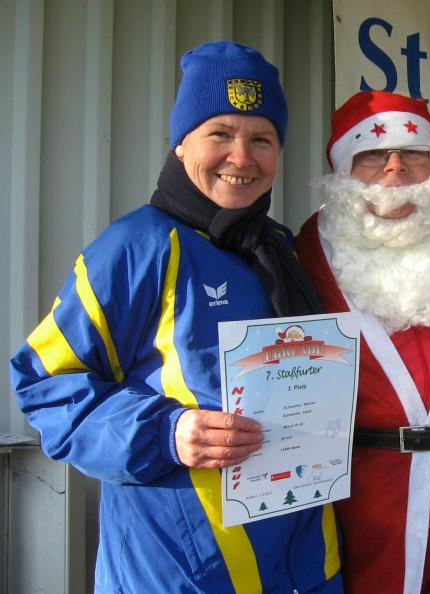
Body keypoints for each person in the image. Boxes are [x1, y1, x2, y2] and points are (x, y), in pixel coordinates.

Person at [10, 41, 342, 593]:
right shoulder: (136, 247)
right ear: (181, 141)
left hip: (306, 563)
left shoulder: (282, 249)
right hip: (183, 574)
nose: (242, 157)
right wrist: (167, 432)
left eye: (261, 139)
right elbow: (45, 386)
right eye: (221, 134)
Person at [294, 90, 430, 594]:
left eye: (414, 152)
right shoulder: (306, 249)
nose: (395, 168)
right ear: (343, 169)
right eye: (371, 154)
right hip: (365, 493)